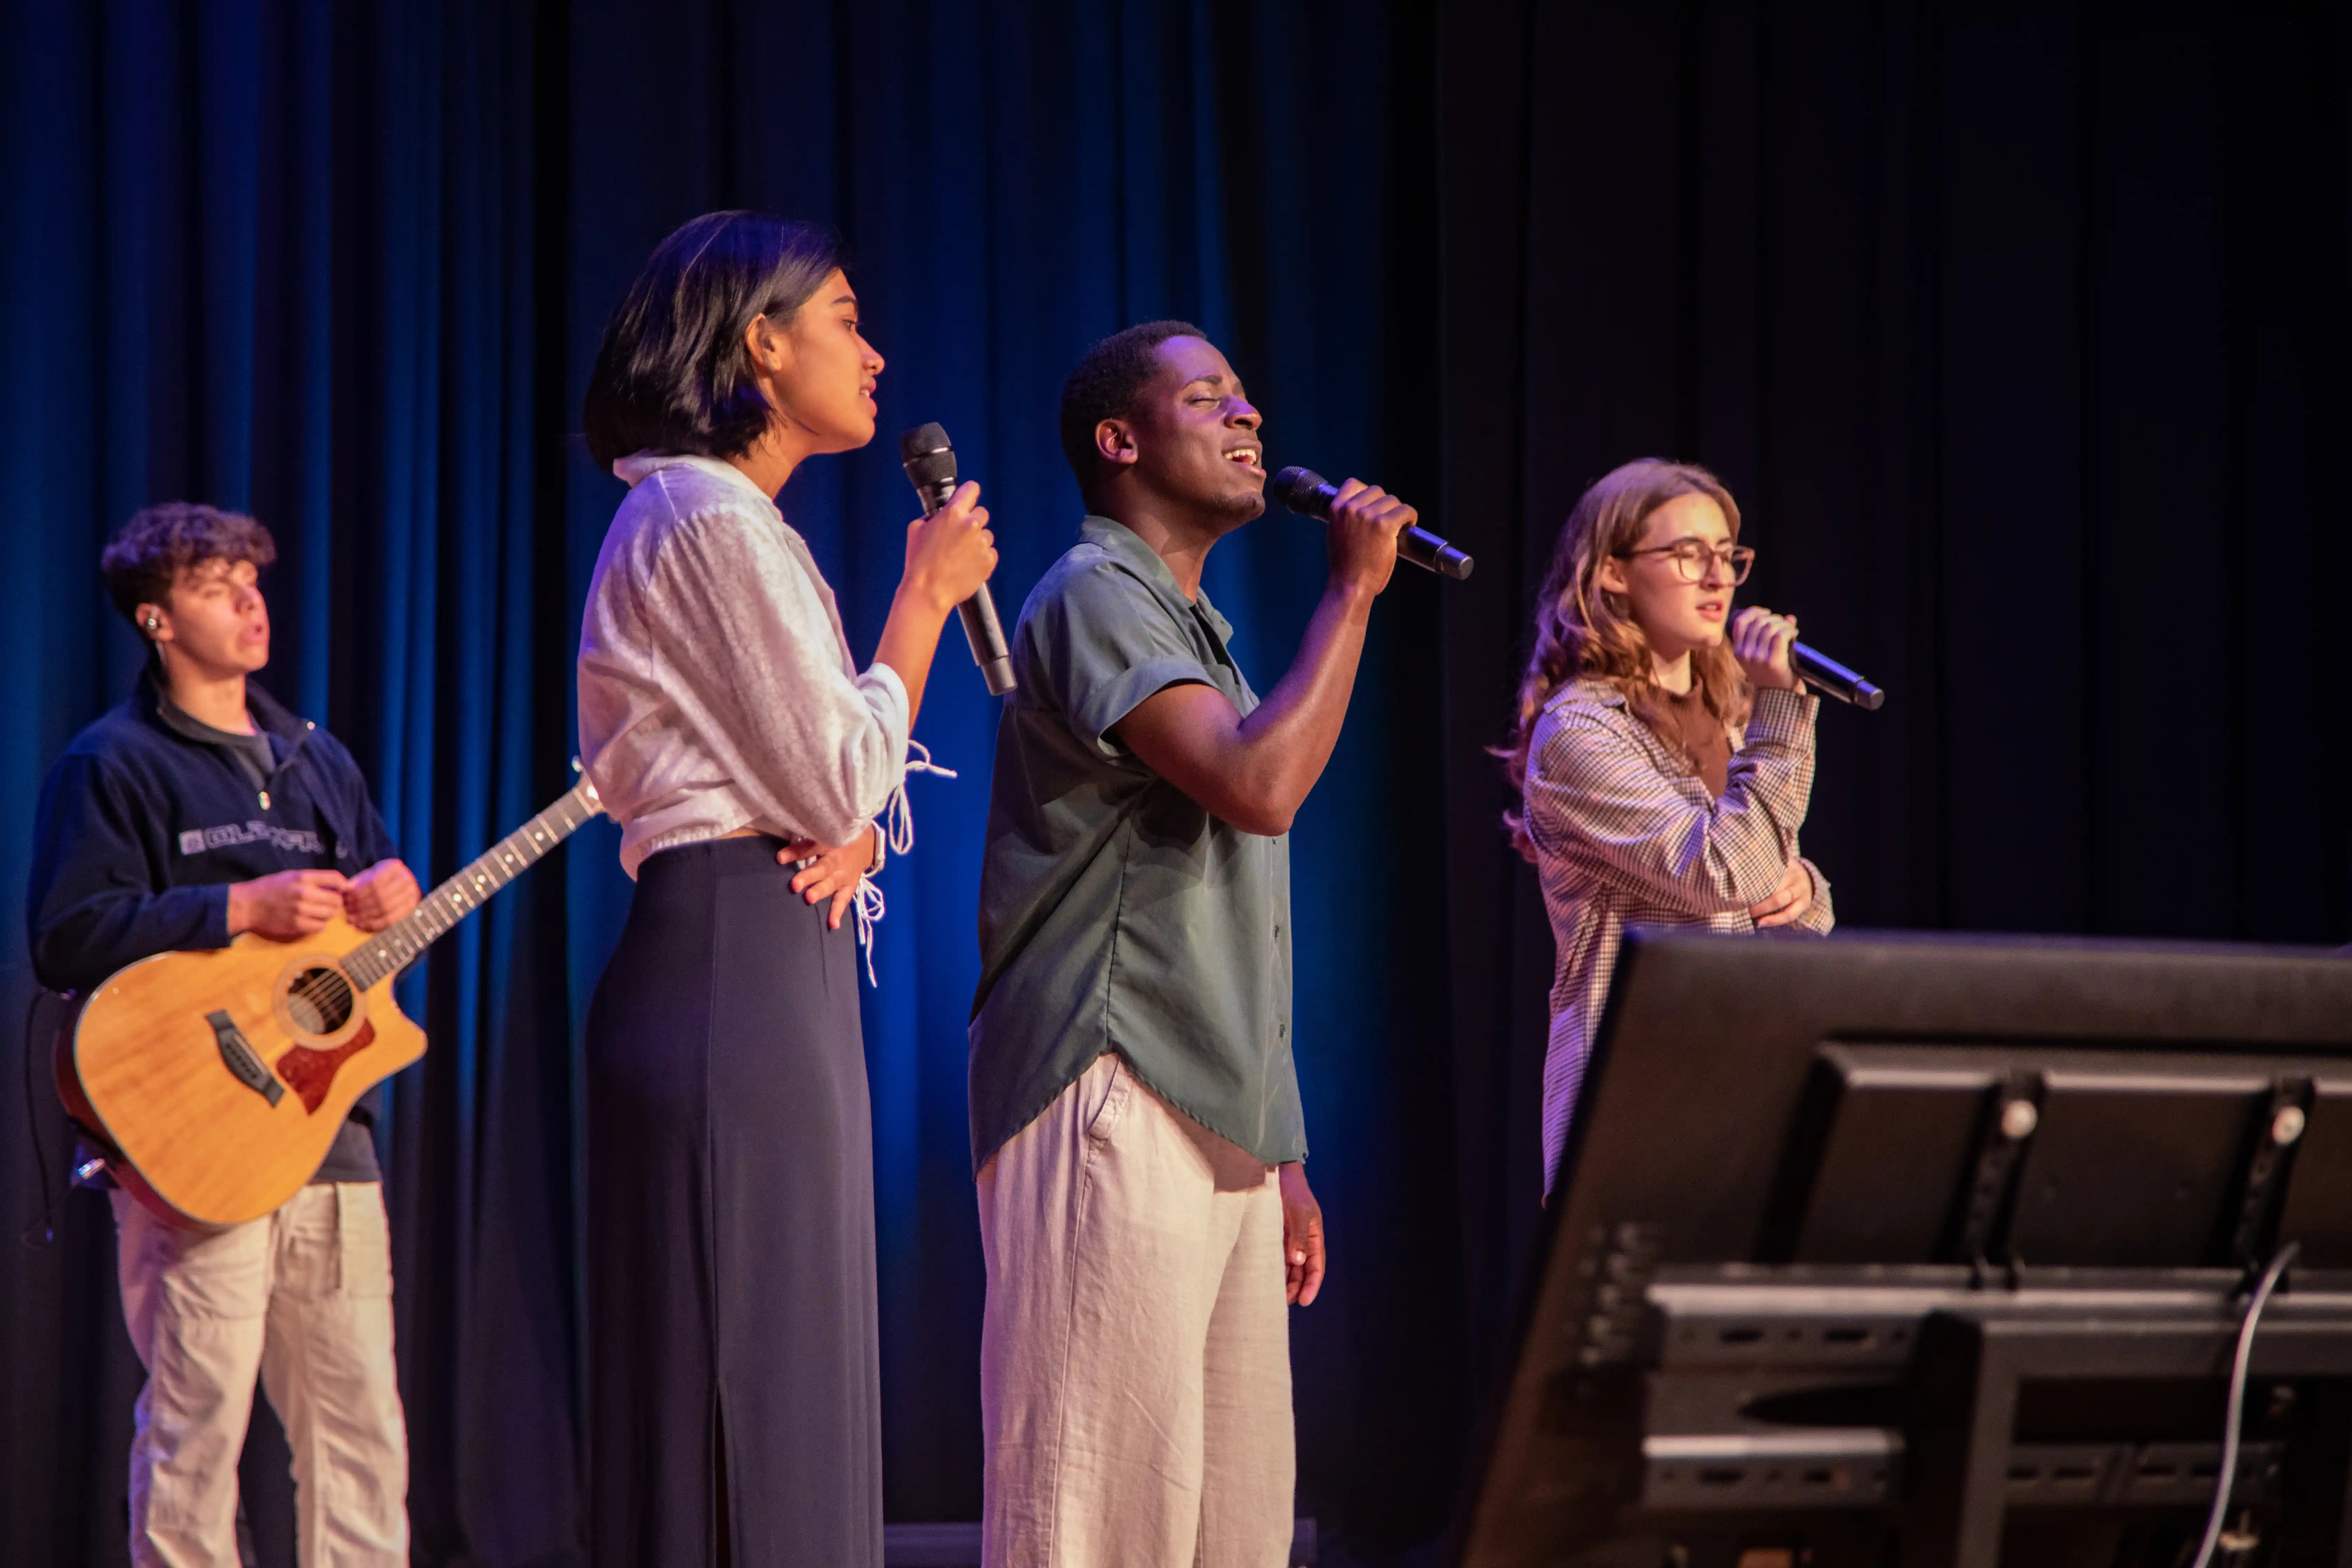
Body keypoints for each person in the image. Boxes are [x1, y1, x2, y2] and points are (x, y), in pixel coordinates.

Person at [575, 211, 996, 1568]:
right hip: (726, 974)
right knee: (743, 1404)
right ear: (761, 344)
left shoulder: (734, 523)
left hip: (770, 963)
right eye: (843, 321)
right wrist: (922, 604)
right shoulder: (703, 513)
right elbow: (830, 771)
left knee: (794, 1396)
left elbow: (815, 789)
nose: (874, 355)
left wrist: (858, 830)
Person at [969, 320, 1414, 1566]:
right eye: (1208, 398)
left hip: (1214, 1111)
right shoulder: (1094, 592)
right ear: (1121, 441)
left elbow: (1227, 917)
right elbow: (1257, 788)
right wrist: (1351, 591)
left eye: (1247, 400)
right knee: (1100, 1517)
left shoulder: (1192, 627)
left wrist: (1282, 1149)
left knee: (1230, 1525)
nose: (1248, 419)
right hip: (1109, 1079)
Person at [27, 502, 423, 1567]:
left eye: (254, 578)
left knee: (362, 1437)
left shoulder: (315, 757)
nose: (251, 600)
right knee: (200, 1429)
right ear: (157, 620)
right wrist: (238, 908)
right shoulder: (111, 764)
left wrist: (392, 892)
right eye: (217, 585)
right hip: (194, 1147)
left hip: (328, 1139)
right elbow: (67, 939)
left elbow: (365, 931)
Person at [1497, 458, 1835, 1192]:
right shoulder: (1582, 732)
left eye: (1728, 556)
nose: (1718, 578)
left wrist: (1806, 888)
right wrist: (1783, 717)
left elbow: (1788, 910)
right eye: (1689, 554)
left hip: (1751, 1088)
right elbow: (1722, 873)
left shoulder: (1734, 719)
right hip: (1639, 1102)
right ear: (1613, 571)